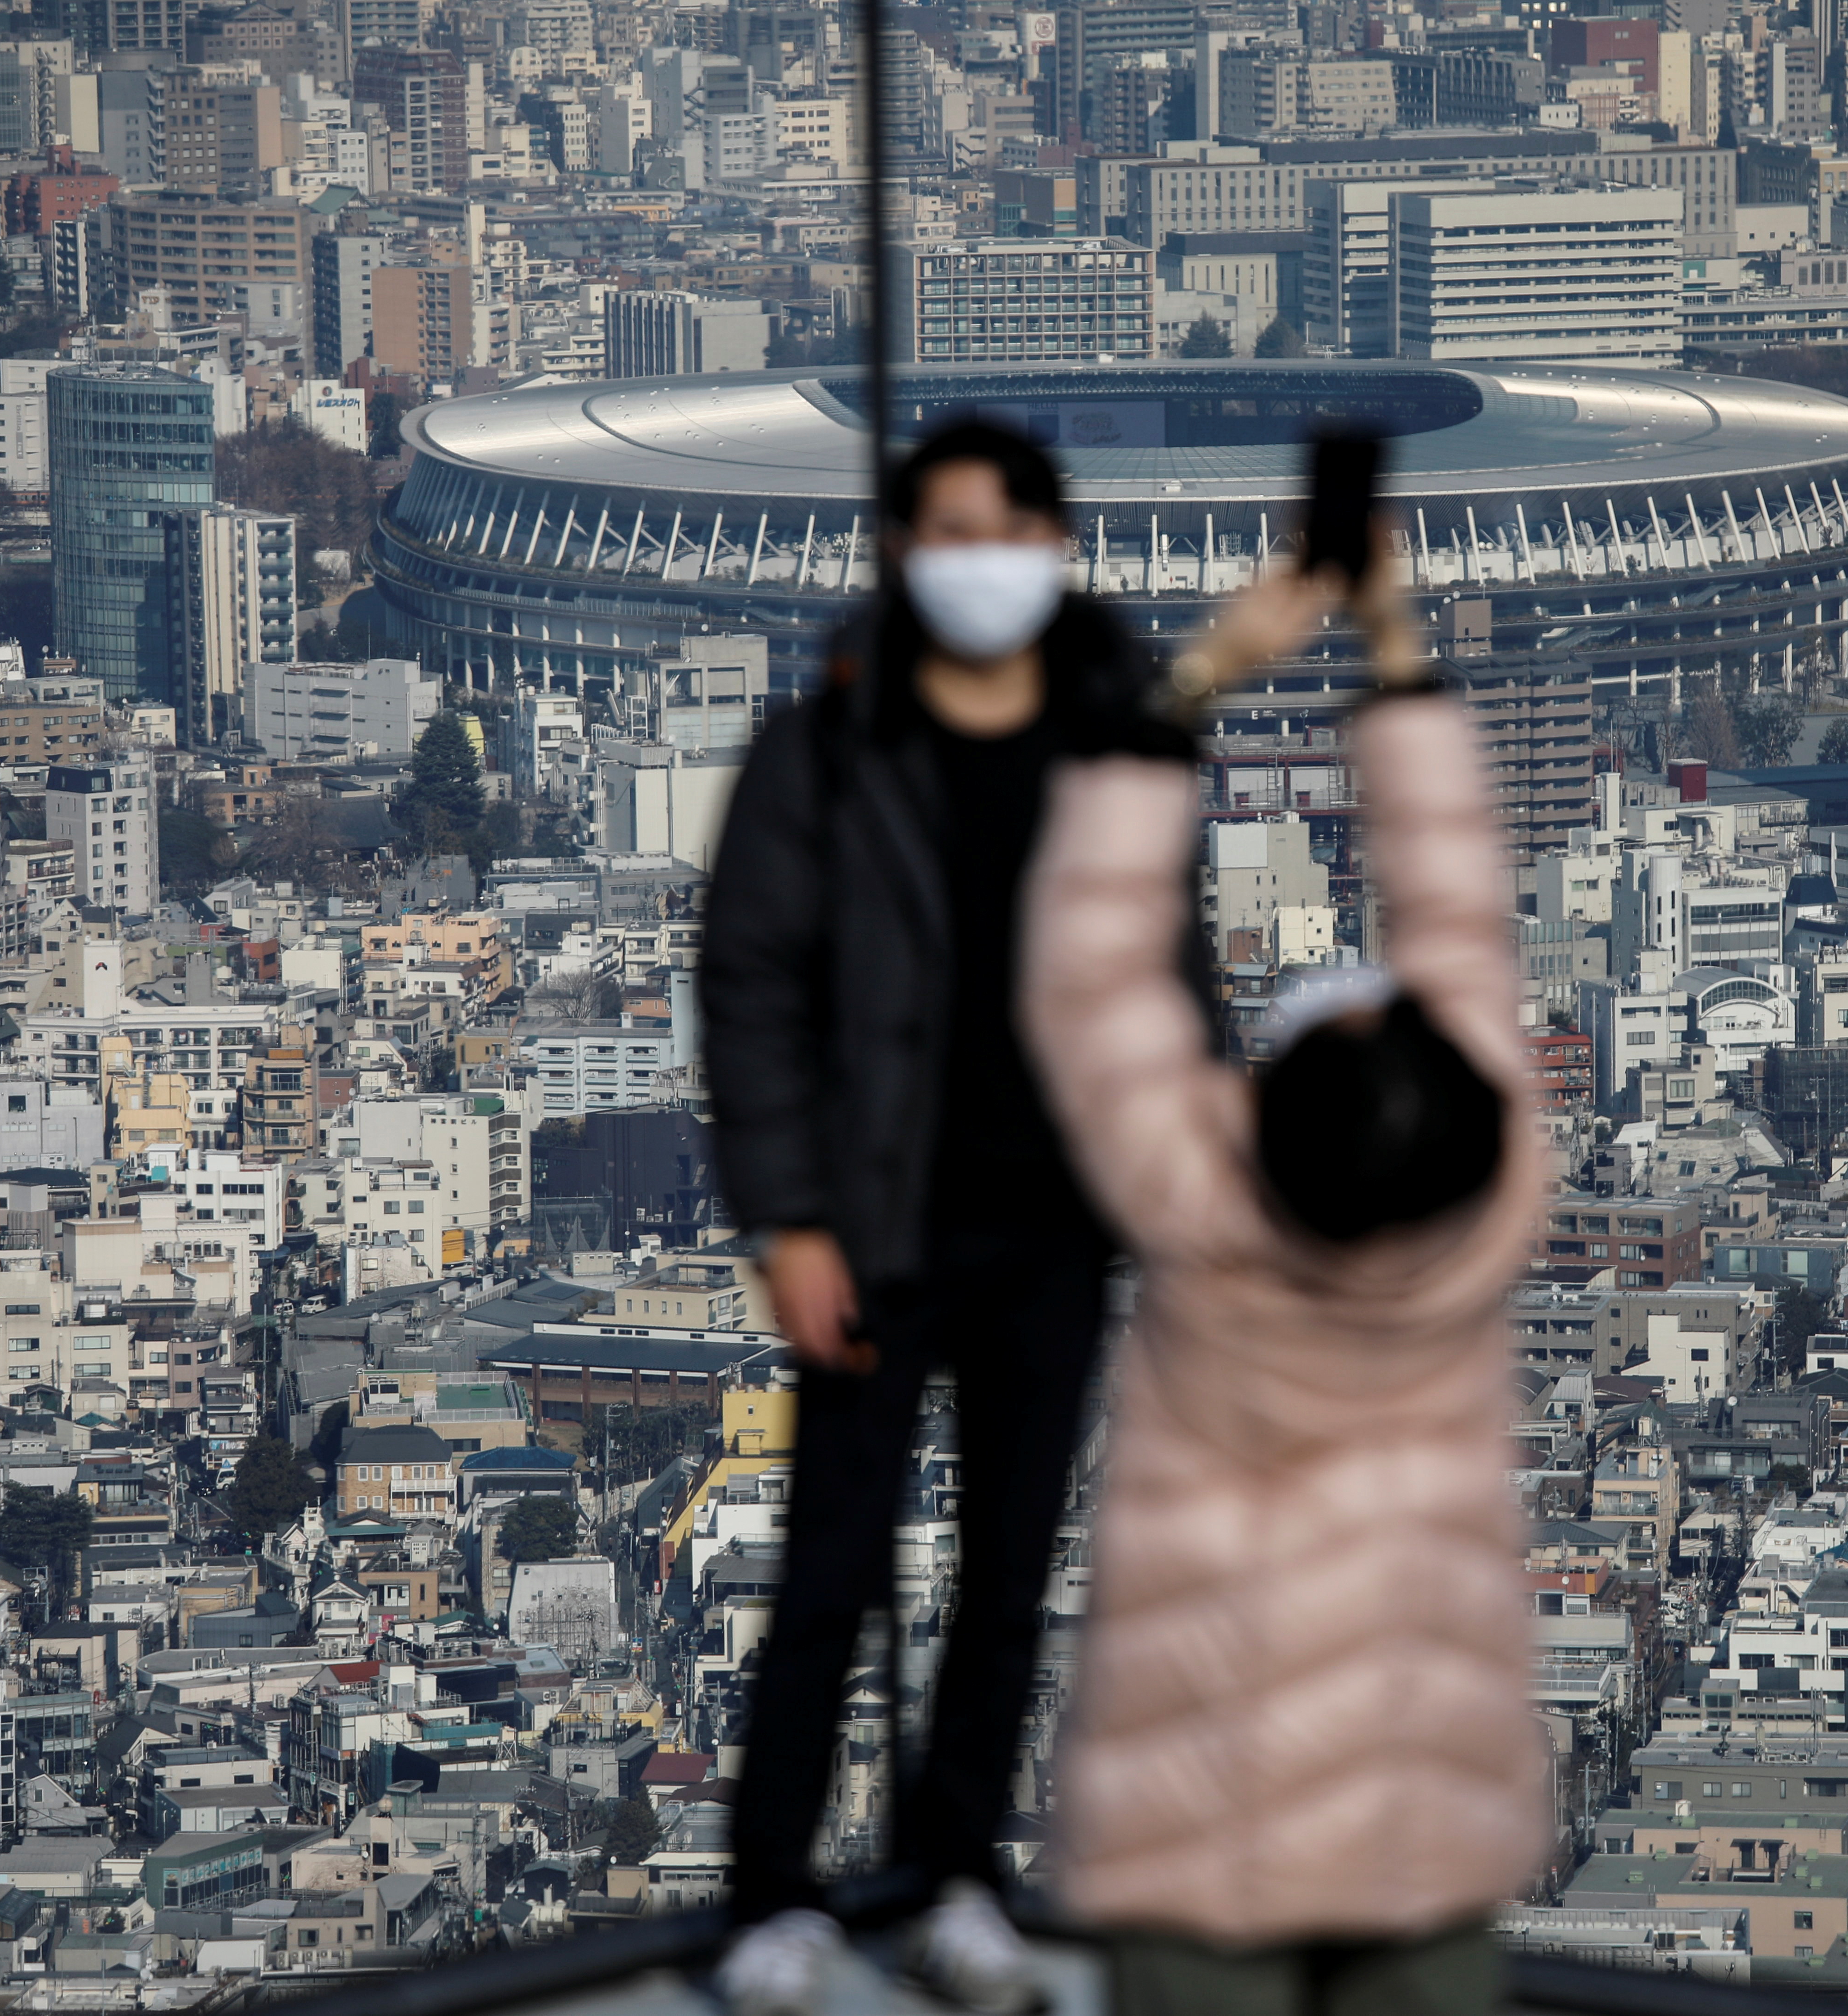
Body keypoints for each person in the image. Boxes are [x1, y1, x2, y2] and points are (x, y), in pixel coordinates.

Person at [701, 417, 1235, 2016]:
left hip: (1055, 1224)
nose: (979, 562)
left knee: (1010, 1578)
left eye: (1005, 529)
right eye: (946, 531)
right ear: (896, 554)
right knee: (832, 1562)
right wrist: (785, 1219)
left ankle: (953, 1877)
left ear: (1056, 548)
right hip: (876, 1220)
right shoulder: (831, 743)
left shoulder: (1107, 741)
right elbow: (752, 983)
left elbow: (1172, 973)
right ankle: (773, 1896)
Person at [1017, 564, 1550, 2015]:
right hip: (1415, 1815)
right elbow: (1465, 926)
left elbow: (1088, 965)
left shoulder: (1198, 1204)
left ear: (1250, 1119)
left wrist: (1195, 678)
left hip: (1194, 1816)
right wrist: (1395, 655)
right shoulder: (1488, 1210)